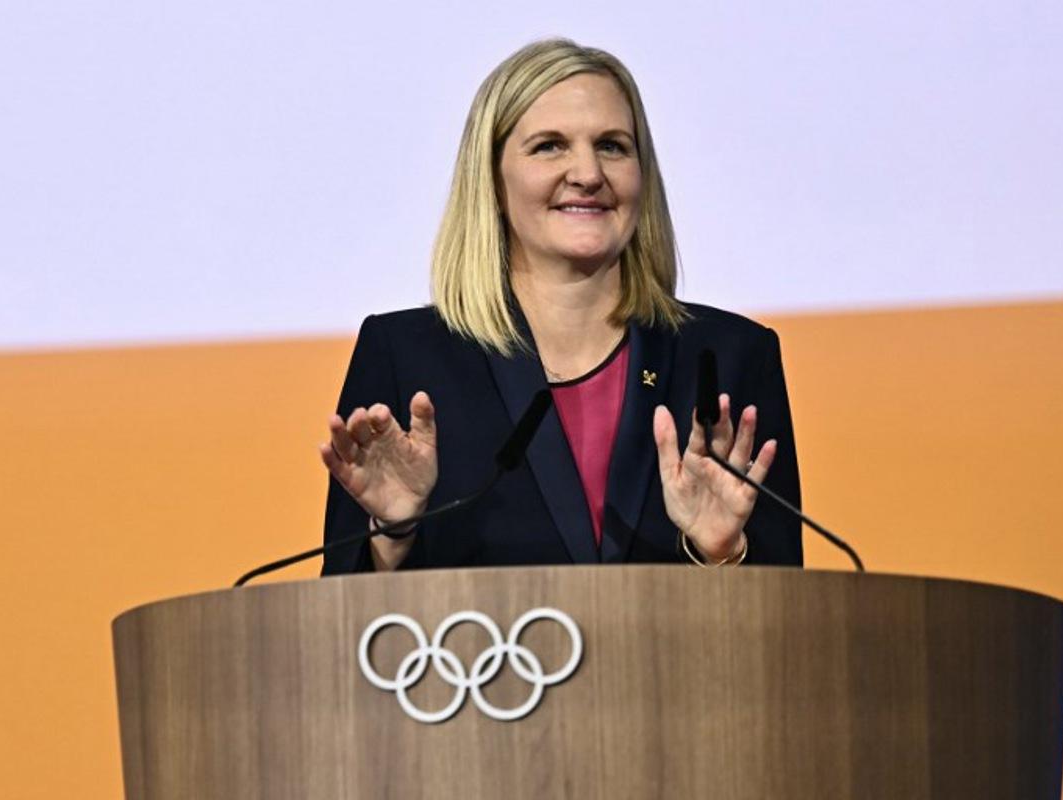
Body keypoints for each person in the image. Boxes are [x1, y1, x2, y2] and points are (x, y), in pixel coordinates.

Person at [319, 39, 803, 574]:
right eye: (550, 146)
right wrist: (394, 533)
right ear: (492, 179)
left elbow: (791, 620)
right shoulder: (405, 357)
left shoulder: (730, 356)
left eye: (613, 146)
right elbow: (344, 626)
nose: (589, 173)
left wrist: (720, 553)